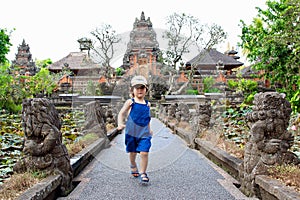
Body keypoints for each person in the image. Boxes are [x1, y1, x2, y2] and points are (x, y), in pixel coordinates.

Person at [117, 75, 153, 184]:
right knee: (132, 152)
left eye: (142, 88)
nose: (140, 90)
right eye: (137, 88)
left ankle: (143, 173)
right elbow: (121, 113)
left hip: (144, 133)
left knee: (144, 152)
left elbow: (147, 118)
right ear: (132, 90)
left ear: (146, 89)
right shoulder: (130, 102)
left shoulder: (147, 104)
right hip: (131, 133)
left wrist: (150, 129)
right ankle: (133, 164)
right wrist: (120, 123)